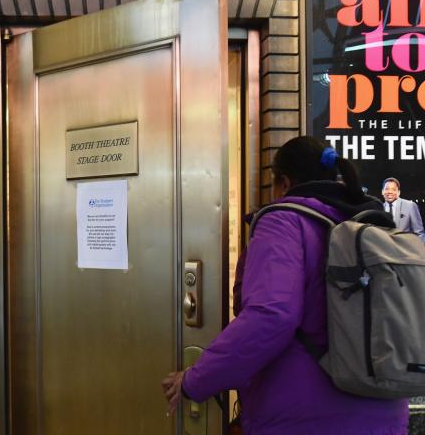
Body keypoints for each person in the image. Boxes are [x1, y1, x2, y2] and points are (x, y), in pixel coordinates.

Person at [161, 136, 409, 434]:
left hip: (306, 416)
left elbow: (271, 315)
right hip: (385, 412)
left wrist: (195, 380)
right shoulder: (371, 223)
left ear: (283, 183)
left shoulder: (284, 221)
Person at [381, 177, 425, 243]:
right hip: (385, 251)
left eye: (393, 189)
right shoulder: (379, 208)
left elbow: (419, 233)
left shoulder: (410, 206)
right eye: (387, 189)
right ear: (382, 191)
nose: (390, 192)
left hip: (407, 250)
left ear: (398, 192)